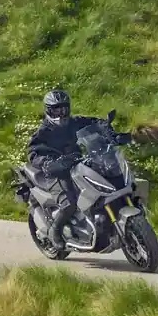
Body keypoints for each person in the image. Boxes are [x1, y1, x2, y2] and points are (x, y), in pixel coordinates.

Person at [27, 87, 131, 249]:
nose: (61, 114)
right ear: (48, 111)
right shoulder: (43, 132)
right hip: (56, 172)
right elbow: (33, 153)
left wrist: (111, 135)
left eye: (64, 109)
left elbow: (96, 123)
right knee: (68, 203)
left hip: (77, 164)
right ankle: (55, 231)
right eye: (56, 110)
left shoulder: (75, 122)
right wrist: (48, 163)